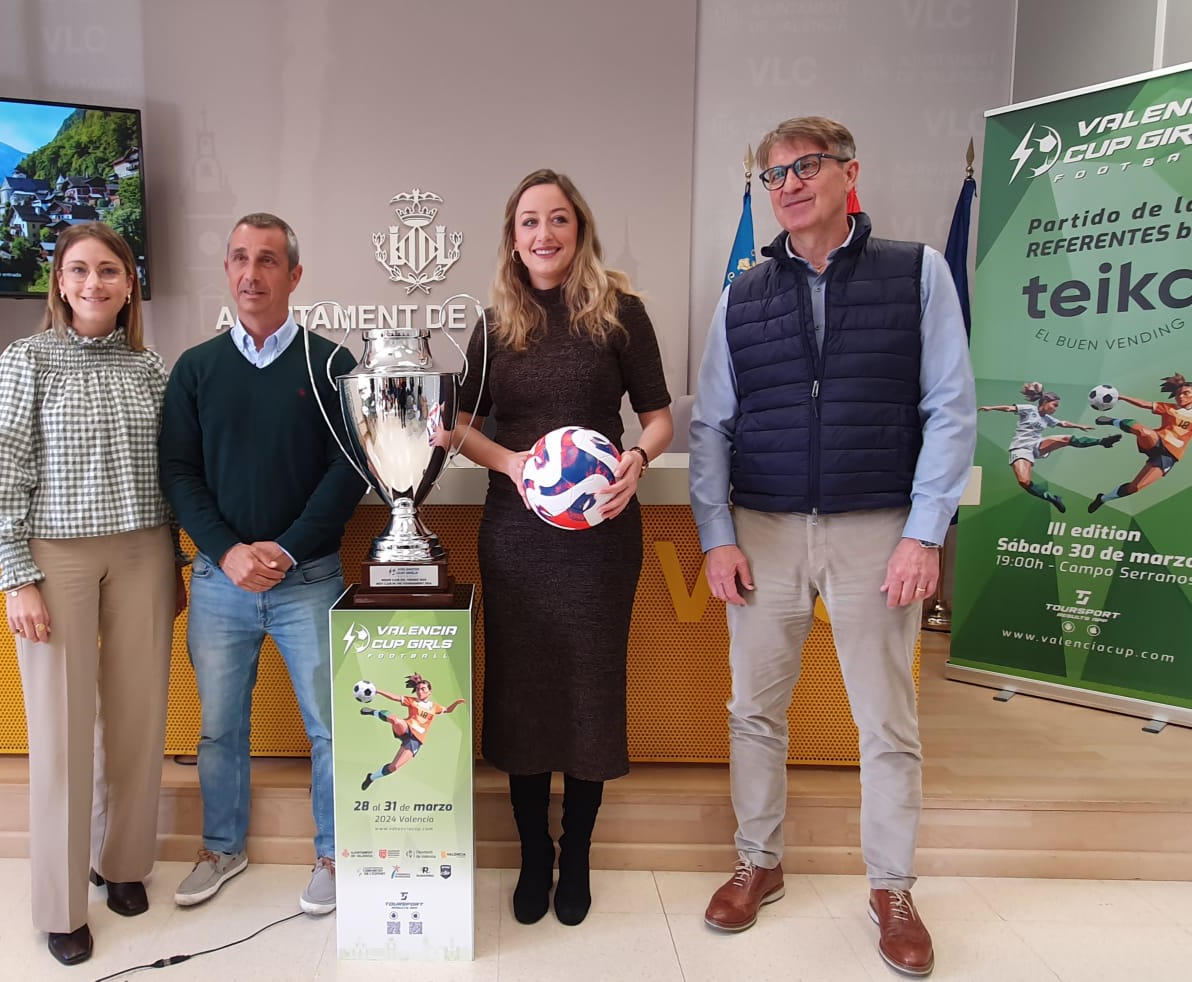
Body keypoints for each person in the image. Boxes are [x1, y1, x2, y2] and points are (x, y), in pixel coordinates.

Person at [687, 116, 975, 977]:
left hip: (877, 530)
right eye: (775, 174)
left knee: (886, 724)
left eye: (806, 166)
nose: (790, 184)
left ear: (850, 172)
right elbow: (711, 426)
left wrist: (926, 532)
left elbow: (951, 410)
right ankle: (758, 862)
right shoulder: (744, 293)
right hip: (766, 533)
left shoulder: (917, 273)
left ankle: (891, 888)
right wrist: (715, 536)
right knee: (753, 711)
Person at [450, 169, 673, 927]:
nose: (543, 234)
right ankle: (532, 854)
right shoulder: (494, 324)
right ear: (512, 239)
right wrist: (512, 464)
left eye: (557, 220)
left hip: (601, 536)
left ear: (579, 229)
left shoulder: (621, 314)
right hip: (515, 536)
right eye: (527, 223)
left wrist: (635, 464)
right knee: (521, 694)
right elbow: (460, 428)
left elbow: (657, 418)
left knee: (587, 692)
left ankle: (575, 852)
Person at [0, 222, 185, 967]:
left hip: (146, 551)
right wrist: (15, 574)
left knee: (137, 719)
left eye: (110, 272)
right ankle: (59, 907)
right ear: (58, 282)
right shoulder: (25, 361)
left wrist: (182, 561)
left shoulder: (151, 368)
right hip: (54, 557)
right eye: (79, 271)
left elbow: (177, 469)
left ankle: (120, 865)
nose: (94, 284)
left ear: (130, 286)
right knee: (62, 736)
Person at [158, 213, 366, 916]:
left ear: (294, 276)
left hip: (308, 581)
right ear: (227, 271)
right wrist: (228, 550)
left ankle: (335, 854)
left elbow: (351, 469)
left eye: (269, 260)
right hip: (220, 583)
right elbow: (180, 473)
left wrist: (285, 549)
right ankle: (222, 846)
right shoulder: (195, 368)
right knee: (218, 727)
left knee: (333, 728)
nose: (253, 273)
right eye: (241, 259)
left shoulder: (332, 365)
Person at [1088, 373, 1192, 512]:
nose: (1181, 396)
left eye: (1186, 393)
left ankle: (1102, 499)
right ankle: (1113, 421)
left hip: (1170, 456)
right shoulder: (1168, 408)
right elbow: (1144, 404)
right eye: (1179, 393)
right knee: (1143, 431)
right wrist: (1120, 396)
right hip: (1156, 441)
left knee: (1135, 487)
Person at [978, 382, 1119, 512]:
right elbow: (1009, 408)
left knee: (1065, 438)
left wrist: (1079, 426)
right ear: (1045, 402)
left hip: (1037, 445)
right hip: (1020, 449)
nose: (1055, 409)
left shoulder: (1047, 419)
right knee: (1024, 481)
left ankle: (1103, 442)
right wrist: (991, 408)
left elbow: (1062, 423)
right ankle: (1052, 498)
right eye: (1054, 405)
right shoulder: (1029, 409)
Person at [357, 673, 467, 790]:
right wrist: (378, 691)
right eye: (418, 689)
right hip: (407, 729)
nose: (420, 691)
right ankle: (373, 712)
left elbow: (448, 710)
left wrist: (456, 703)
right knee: (395, 720)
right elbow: (395, 697)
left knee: (393, 767)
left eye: (423, 689)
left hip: (416, 740)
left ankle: (371, 778)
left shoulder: (435, 707)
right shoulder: (412, 701)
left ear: (430, 691)